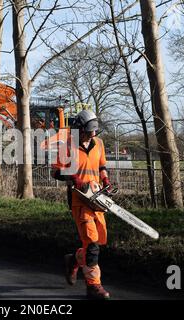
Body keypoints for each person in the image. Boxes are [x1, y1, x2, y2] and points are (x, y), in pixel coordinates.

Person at [51, 109, 114, 300]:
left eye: (94, 131)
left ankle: (74, 260)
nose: (92, 134)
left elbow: (101, 166)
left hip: (96, 199)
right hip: (79, 200)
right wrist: (74, 178)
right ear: (79, 129)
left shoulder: (99, 144)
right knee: (92, 244)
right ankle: (93, 286)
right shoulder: (67, 147)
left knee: (100, 240)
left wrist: (106, 180)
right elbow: (55, 172)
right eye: (89, 131)